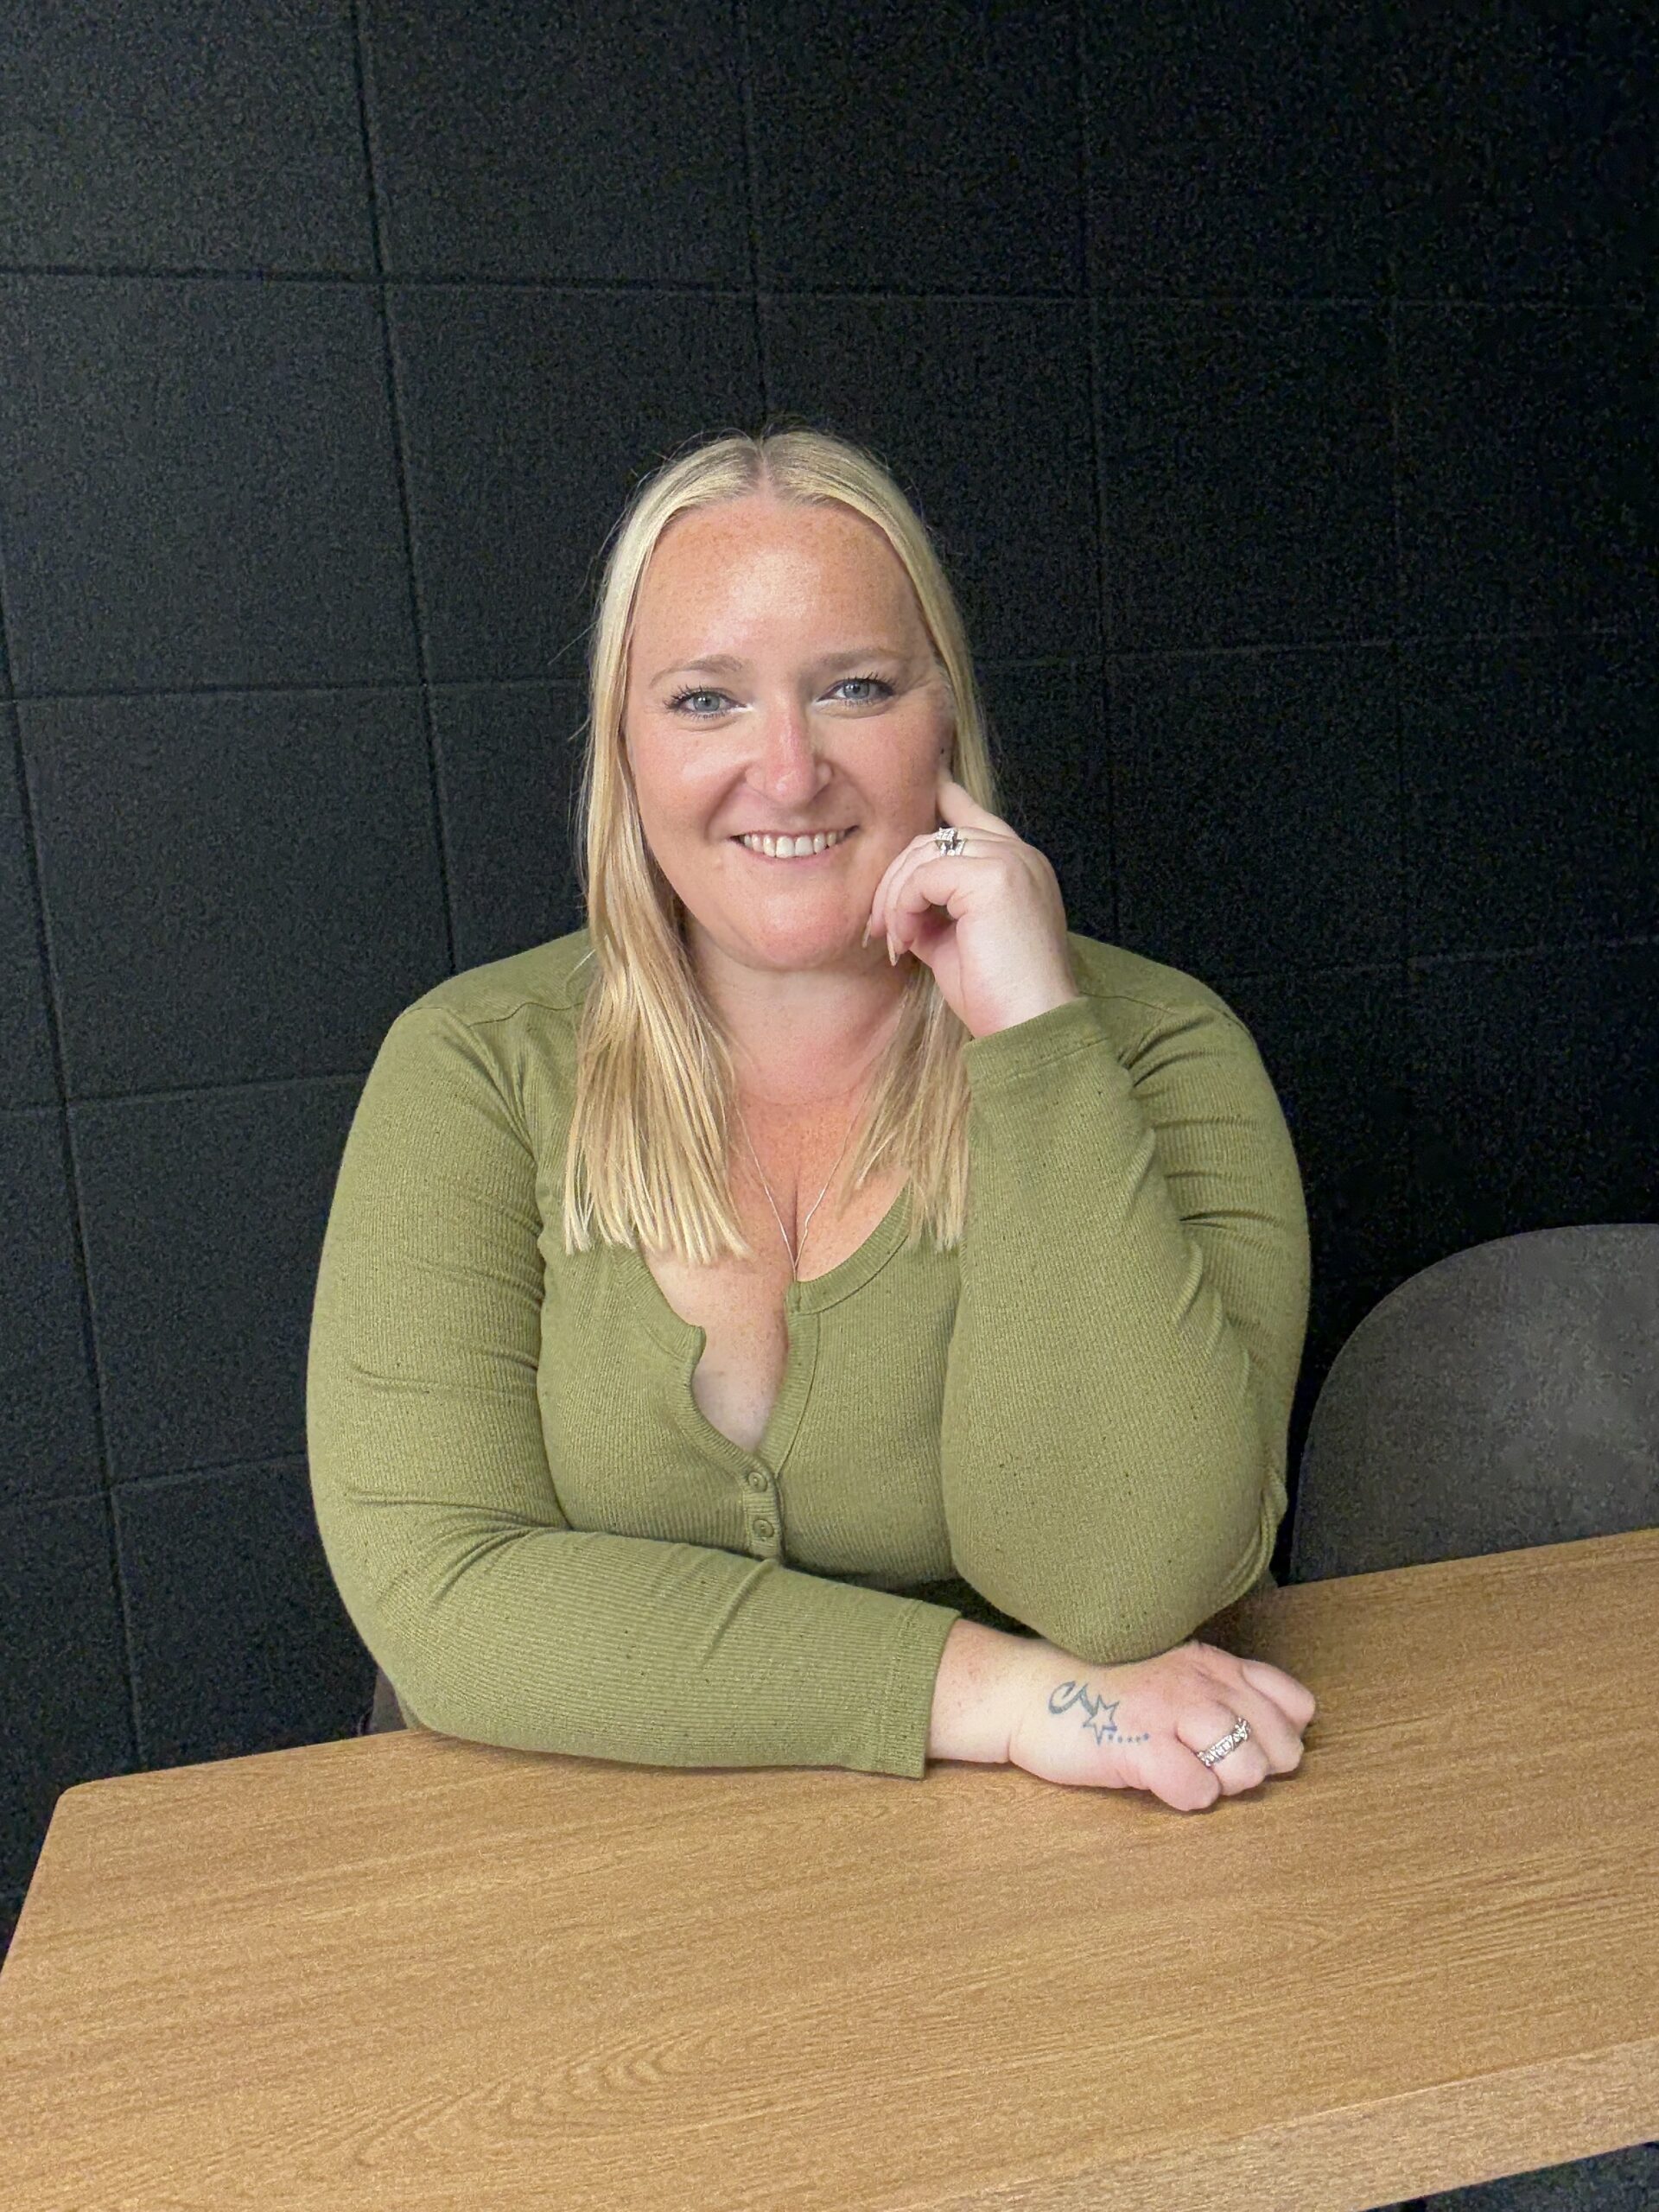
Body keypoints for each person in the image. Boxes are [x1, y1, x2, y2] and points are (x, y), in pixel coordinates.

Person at [307, 424, 1317, 1812]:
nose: (787, 772)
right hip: (569, 1869)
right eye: (706, 701)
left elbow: (1124, 1581)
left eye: (853, 688)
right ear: (625, 746)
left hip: (1044, 1882)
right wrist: (994, 1693)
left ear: (942, 718)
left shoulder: (1158, 1053)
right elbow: (445, 1592)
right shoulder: (472, 1071)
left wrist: (1036, 1043)